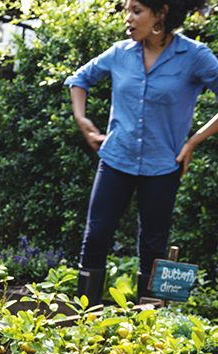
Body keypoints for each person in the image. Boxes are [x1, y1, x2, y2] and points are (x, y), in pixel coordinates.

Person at [65, 0, 218, 304]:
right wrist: (82, 120)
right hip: (115, 159)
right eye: (127, 10)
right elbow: (79, 79)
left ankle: (145, 329)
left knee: (152, 247)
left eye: (137, 11)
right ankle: (84, 322)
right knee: (95, 237)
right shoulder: (120, 53)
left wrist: (193, 141)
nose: (128, 19)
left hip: (163, 166)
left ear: (160, 13)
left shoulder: (194, 56)